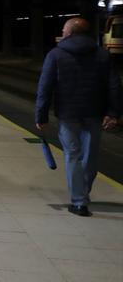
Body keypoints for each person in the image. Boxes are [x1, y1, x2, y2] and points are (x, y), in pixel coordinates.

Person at [36, 17, 120, 217]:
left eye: (64, 30)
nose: (62, 33)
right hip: (94, 112)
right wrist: (113, 113)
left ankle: (79, 200)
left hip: (68, 113)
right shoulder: (102, 55)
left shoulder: (56, 55)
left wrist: (41, 115)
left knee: (73, 155)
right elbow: (114, 86)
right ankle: (83, 193)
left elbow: (45, 88)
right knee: (90, 156)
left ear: (71, 33)